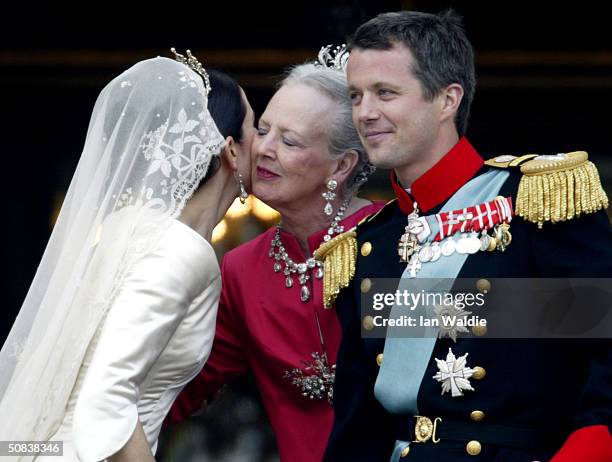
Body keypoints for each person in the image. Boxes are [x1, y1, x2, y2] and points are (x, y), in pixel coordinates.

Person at [321, 10, 612, 462]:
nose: (365, 113)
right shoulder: (372, 243)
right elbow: (360, 427)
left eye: (385, 93)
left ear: (447, 100)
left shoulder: (534, 204)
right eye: (356, 95)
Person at [0, 51, 256, 461]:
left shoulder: (128, 228)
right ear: (230, 150)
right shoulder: (183, 250)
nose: (267, 143)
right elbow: (107, 400)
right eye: (256, 128)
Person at [167, 53, 383, 462]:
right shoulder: (241, 268)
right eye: (263, 130)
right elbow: (183, 385)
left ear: (341, 165)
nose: (263, 149)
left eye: (289, 141)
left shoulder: (397, 241)